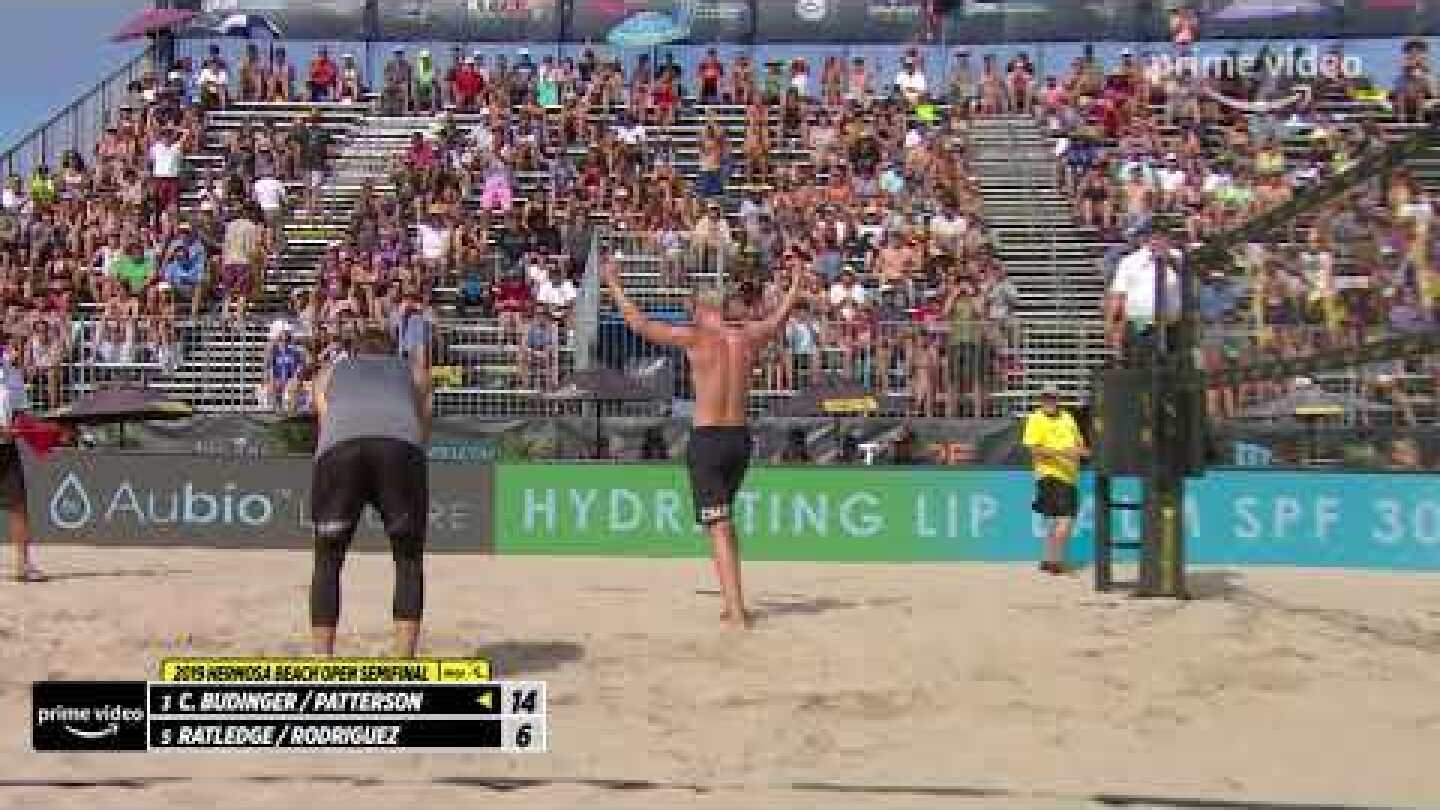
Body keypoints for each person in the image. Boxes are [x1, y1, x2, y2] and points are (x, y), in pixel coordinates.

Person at [602, 256, 803, 629]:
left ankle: (738, 612)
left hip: (709, 440)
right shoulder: (747, 337)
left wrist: (613, 284)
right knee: (725, 523)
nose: (690, 311)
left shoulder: (696, 337)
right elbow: (780, 319)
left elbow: (638, 324)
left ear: (706, 308)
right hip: (740, 441)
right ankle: (733, 602)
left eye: (694, 306)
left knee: (720, 527)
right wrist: (796, 282)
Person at [309, 327, 433, 657]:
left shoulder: (332, 371)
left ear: (354, 352)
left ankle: (323, 661)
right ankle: (403, 660)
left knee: (328, 560)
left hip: (341, 449)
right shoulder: (412, 371)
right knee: (408, 559)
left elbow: (325, 418)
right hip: (400, 448)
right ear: (393, 353)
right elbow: (423, 426)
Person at [1022, 388, 1088, 575]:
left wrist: (1081, 453)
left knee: (1052, 521)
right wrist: (1063, 454)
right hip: (1050, 474)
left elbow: (1080, 447)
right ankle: (1057, 562)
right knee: (1065, 519)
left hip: (1068, 475)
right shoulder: (1036, 418)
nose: (1049, 401)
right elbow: (1034, 449)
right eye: (1045, 398)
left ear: (1058, 399)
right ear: (1040, 400)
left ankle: (1049, 560)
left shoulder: (1067, 418)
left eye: (1052, 398)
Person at [0, 348, 40, 582]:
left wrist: (17, 427)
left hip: (6, 449)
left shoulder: (12, 374)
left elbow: (19, 412)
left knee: (18, 506)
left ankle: (23, 565)